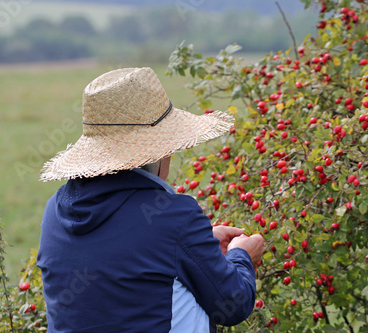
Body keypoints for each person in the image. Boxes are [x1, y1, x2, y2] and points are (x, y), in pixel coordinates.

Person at [37, 67, 265, 333]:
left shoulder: (54, 210)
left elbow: (128, 253)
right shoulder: (175, 217)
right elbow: (233, 304)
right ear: (157, 155)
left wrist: (197, 247)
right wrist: (241, 256)